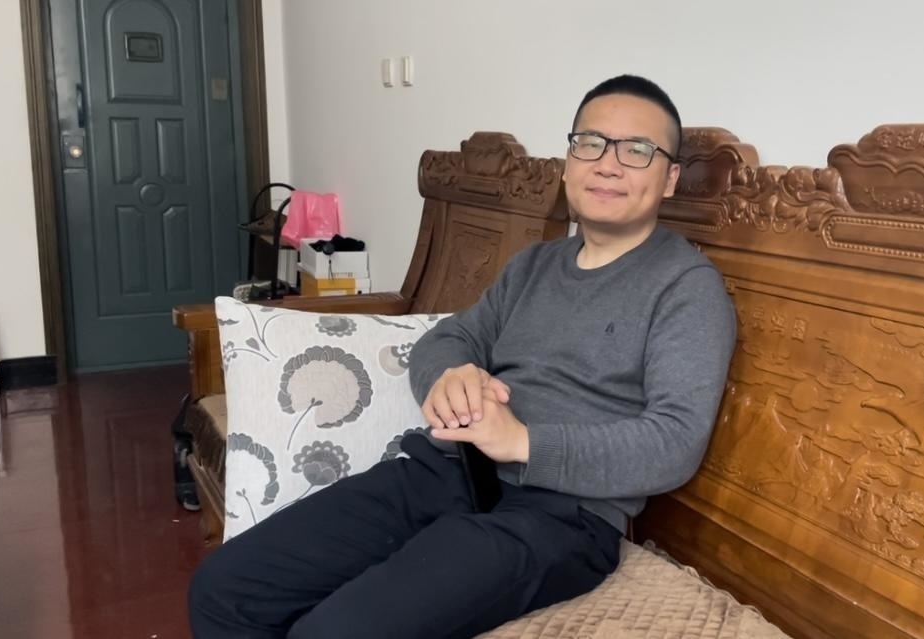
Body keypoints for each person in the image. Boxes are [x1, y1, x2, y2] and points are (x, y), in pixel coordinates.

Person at [188, 74, 737, 639]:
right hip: (447, 470)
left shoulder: (686, 287)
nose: (608, 165)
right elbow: (449, 337)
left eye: (637, 150)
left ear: (670, 178)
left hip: (563, 516)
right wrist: (449, 375)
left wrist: (522, 442)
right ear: (570, 159)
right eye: (591, 143)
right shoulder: (535, 266)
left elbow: (675, 442)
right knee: (225, 590)